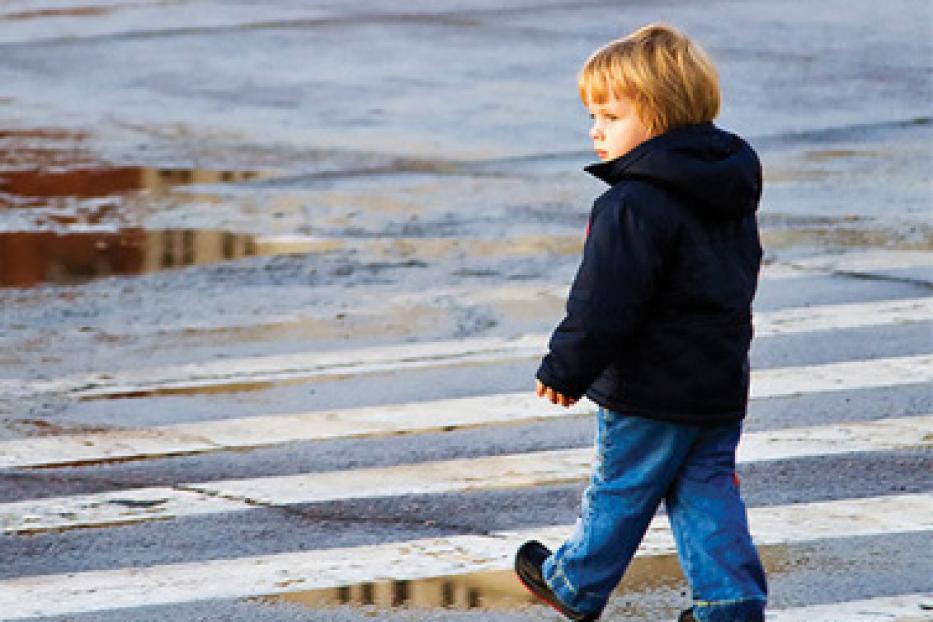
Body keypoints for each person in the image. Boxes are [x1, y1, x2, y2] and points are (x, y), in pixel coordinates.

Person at [513, 23, 768, 622]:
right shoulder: (727, 189)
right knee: (706, 489)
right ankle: (731, 603)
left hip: (648, 387)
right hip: (717, 379)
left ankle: (574, 584)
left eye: (612, 115)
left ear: (658, 117)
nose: (596, 131)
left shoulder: (631, 204)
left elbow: (604, 301)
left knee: (620, 487)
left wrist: (565, 368)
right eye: (594, 116)